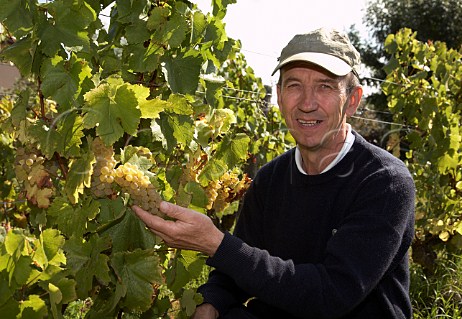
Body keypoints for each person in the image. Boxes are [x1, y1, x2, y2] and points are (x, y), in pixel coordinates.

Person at [133, 27, 416, 319]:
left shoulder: (384, 182)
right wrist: (212, 302)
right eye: (294, 86)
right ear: (279, 96)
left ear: (353, 100)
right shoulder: (270, 179)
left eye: (325, 86)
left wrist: (215, 243)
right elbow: (236, 268)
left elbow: (331, 294)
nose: (307, 103)